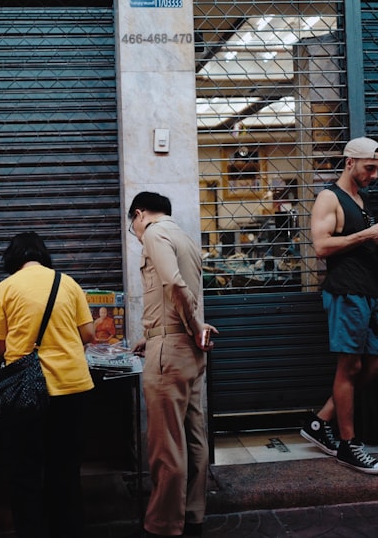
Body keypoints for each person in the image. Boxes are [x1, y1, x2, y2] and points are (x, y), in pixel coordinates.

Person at [0, 231, 96, 538]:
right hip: (72, 388)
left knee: (26, 471)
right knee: (66, 469)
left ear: (12, 258)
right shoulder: (68, 283)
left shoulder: (5, 288)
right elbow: (89, 334)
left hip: (25, 391)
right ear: (43, 255)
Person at [302, 137, 378, 475]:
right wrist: (366, 235)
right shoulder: (331, 197)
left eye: (377, 169)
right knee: (349, 368)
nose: (373, 175)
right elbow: (322, 246)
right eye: (369, 168)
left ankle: (319, 422)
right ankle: (348, 445)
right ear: (349, 162)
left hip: (369, 293)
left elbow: (359, 242)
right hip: (347, 292)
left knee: (373, 369)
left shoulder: (360, 199)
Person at [127, 191, 218, 537]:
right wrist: (151, 335)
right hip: (186, 350)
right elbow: (175, 294)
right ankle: (192, 515)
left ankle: (164, 525)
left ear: (139, 214)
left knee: (166, 443)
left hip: (173, 348)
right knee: (194, 435)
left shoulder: (153, 232)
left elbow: (174, 285)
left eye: (133, 225)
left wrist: (193, 329)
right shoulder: (184, 237)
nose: (136, 234)